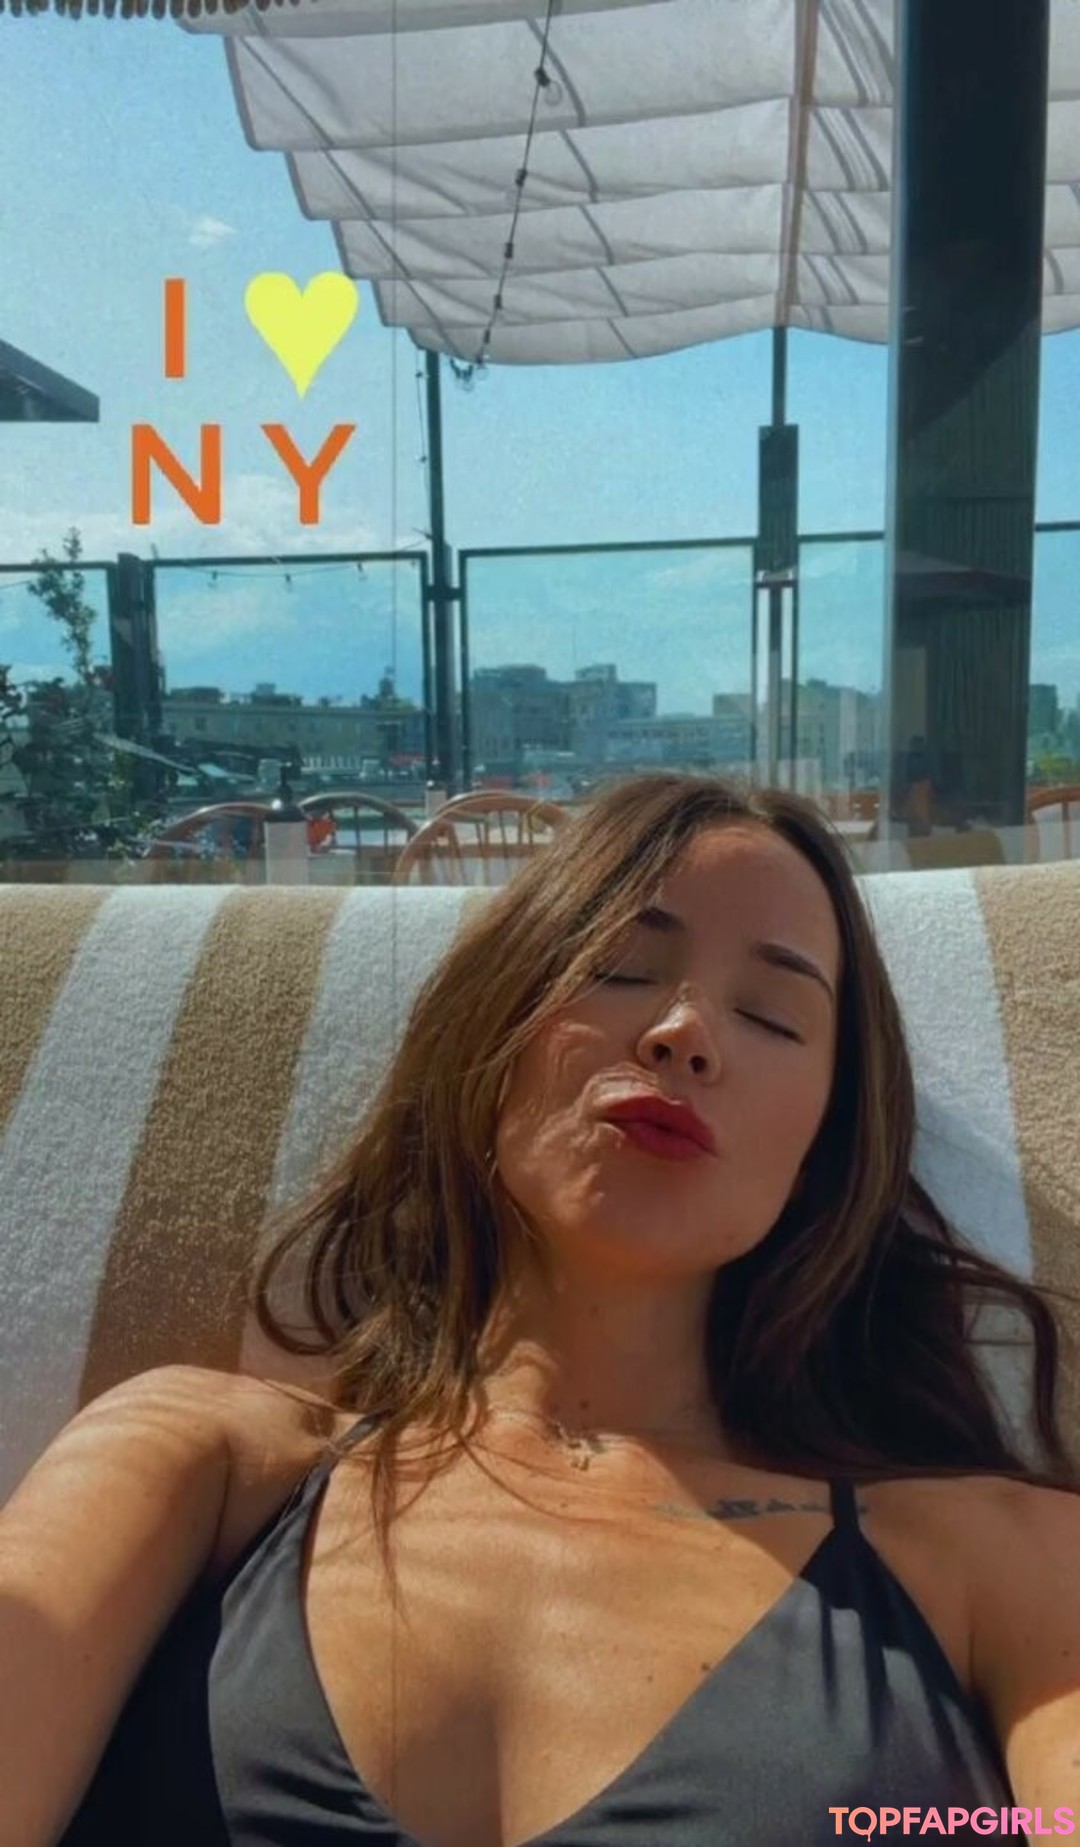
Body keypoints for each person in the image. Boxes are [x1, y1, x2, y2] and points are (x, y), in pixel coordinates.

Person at [3, 771, 1080, 1847]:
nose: (686, 1032)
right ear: (494, 1031)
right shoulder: (199, 1463)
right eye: (618, 966)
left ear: (822, 1147)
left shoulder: (1001, 1561)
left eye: (770, 1015)